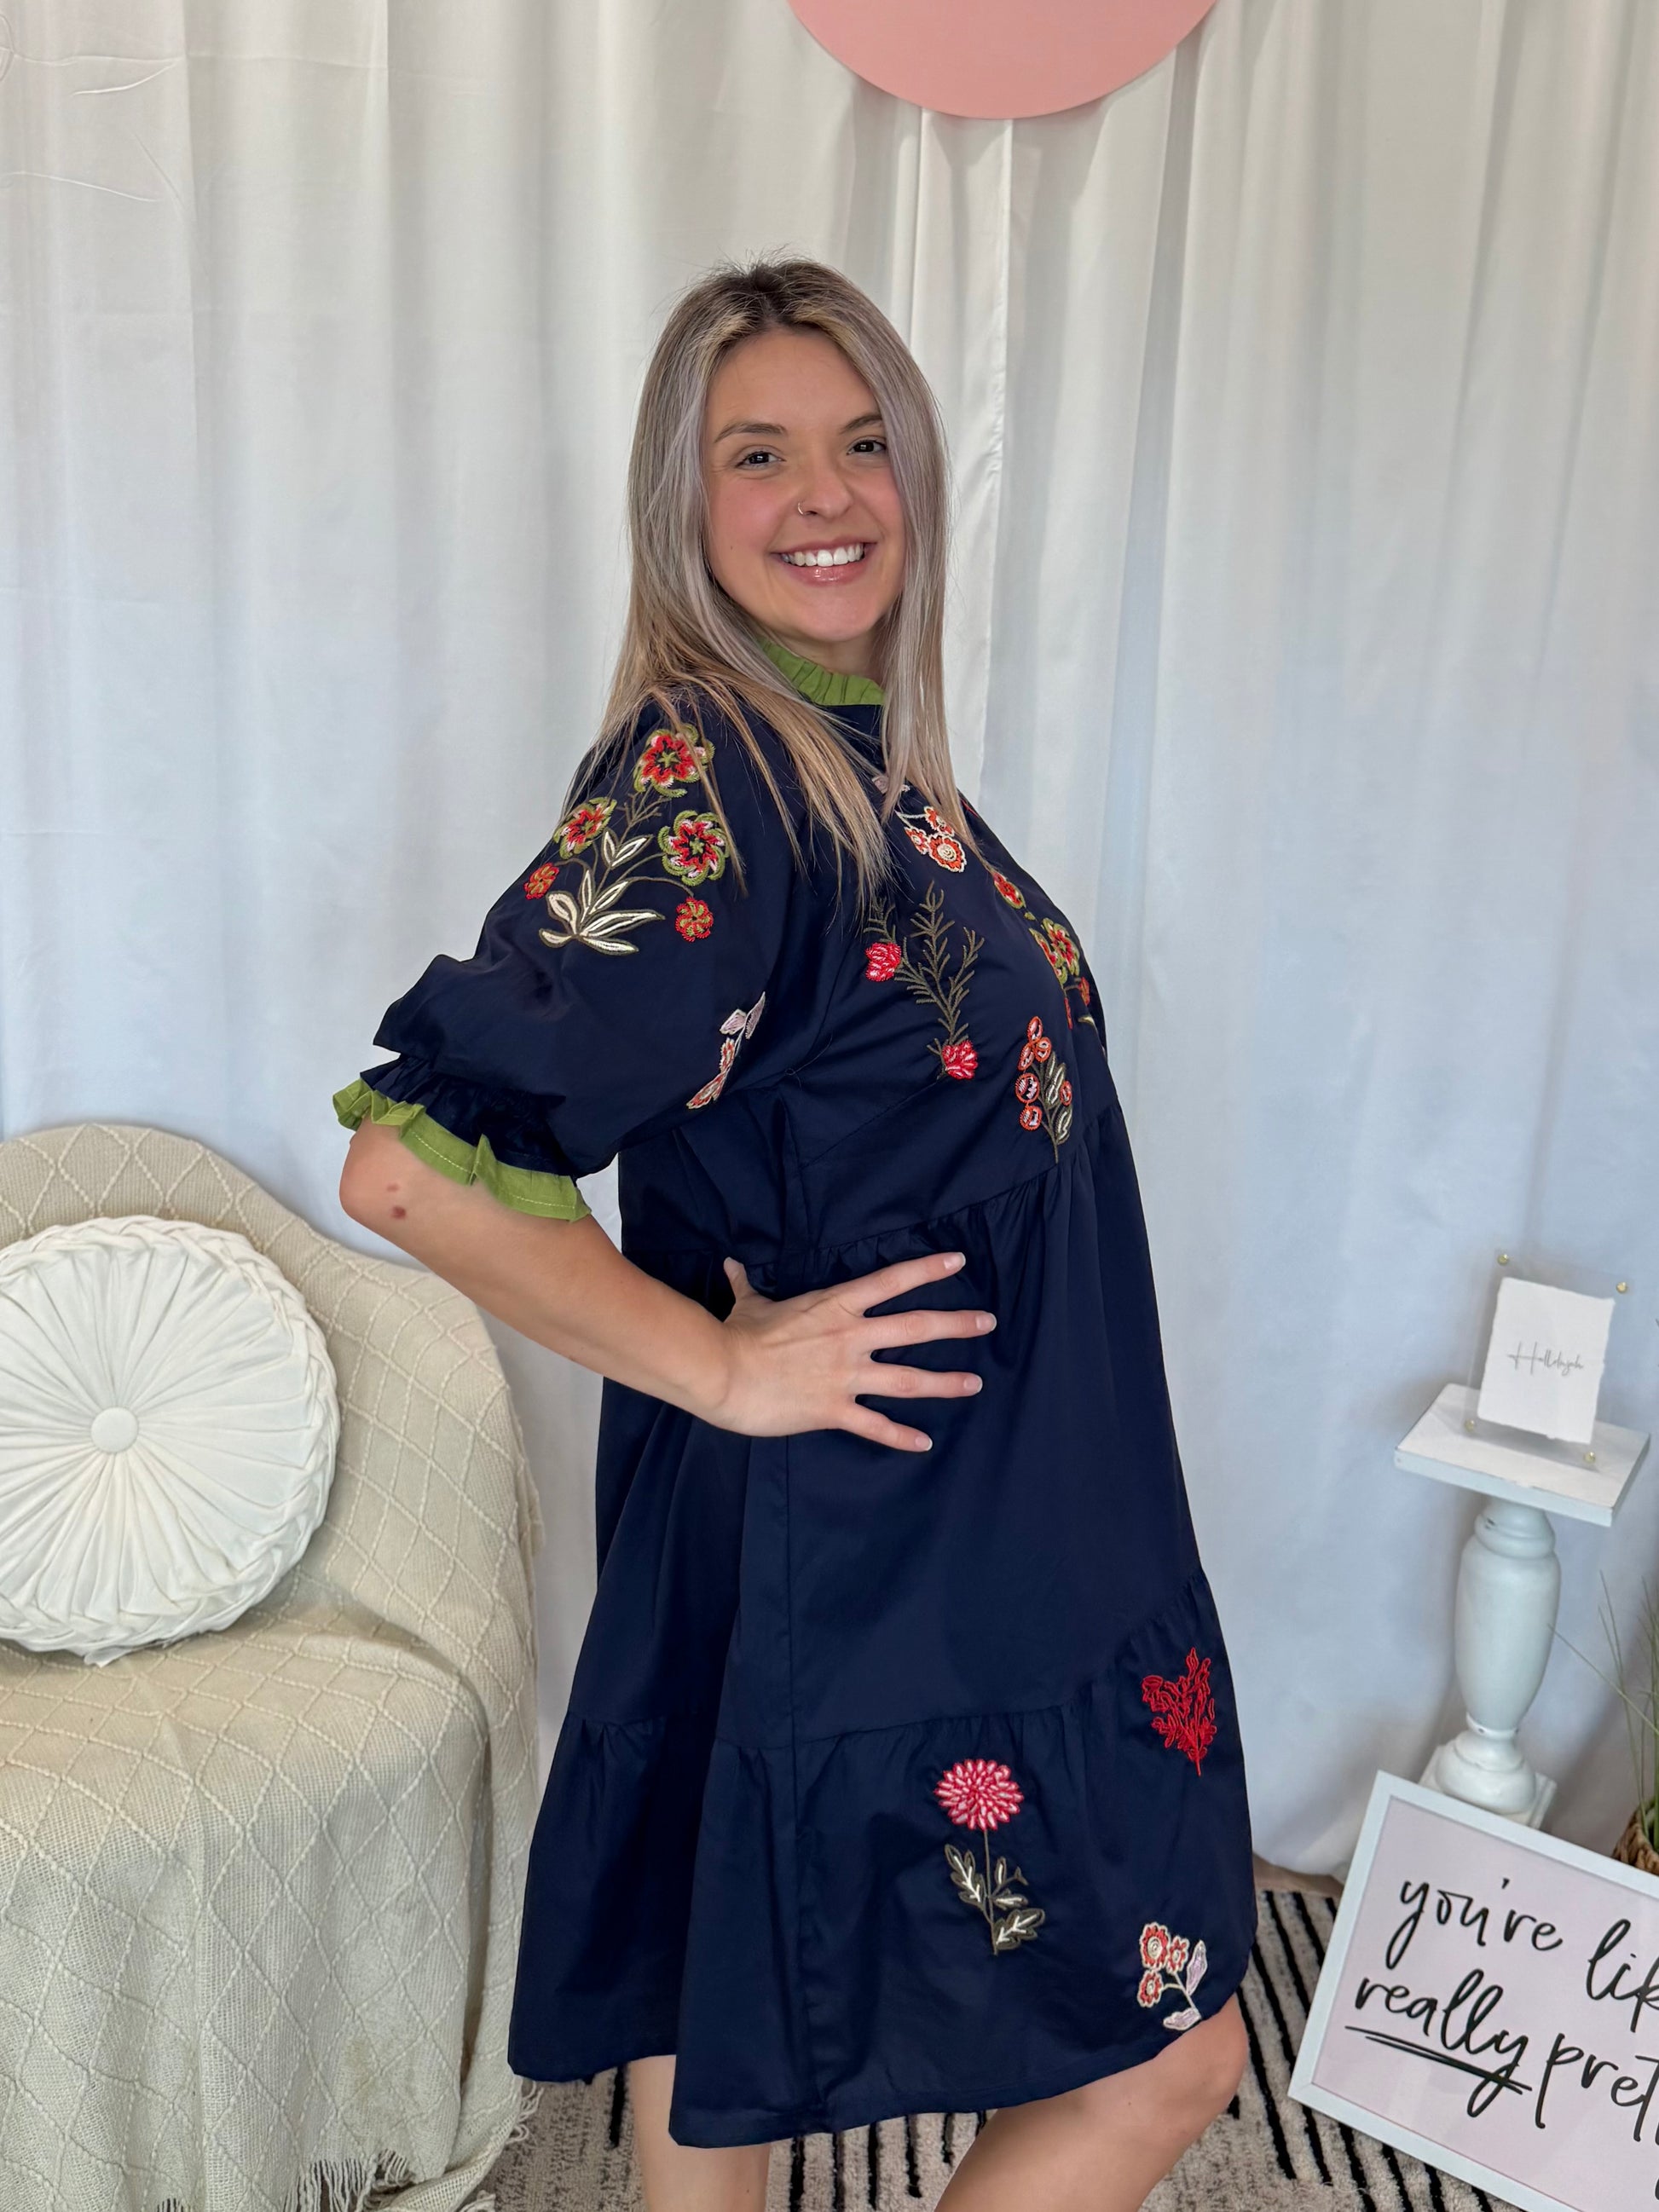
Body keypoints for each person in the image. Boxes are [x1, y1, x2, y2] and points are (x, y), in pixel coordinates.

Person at [335, 256, 1254, 2212]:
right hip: (880, 1537)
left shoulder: (856, 760)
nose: (823, 494)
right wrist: (727, 1367)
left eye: (860, 445)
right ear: (684, 503)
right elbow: (414, 1166)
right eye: (757, 454)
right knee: (1167, 2053)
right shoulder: (719, 773)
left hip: (956, 1523)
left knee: (715, 1975)